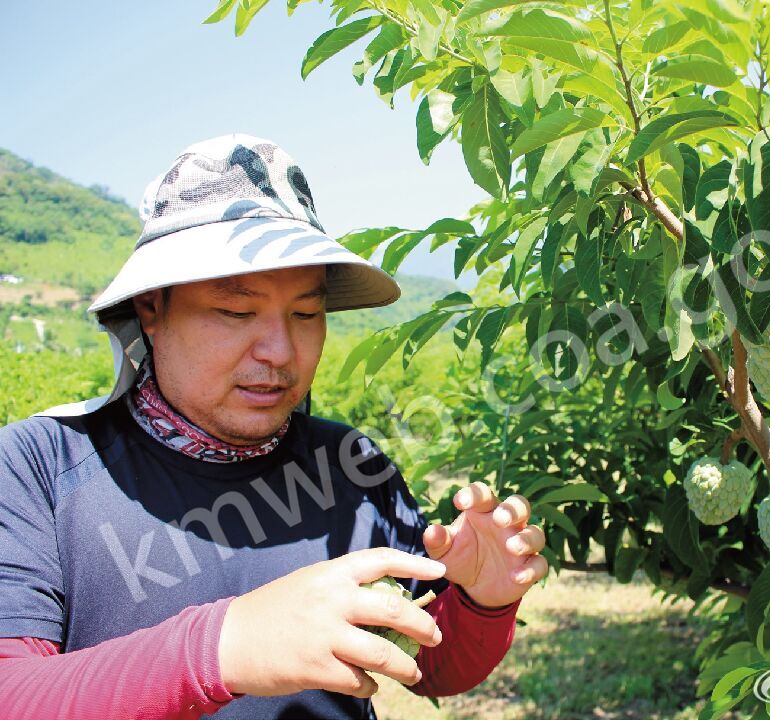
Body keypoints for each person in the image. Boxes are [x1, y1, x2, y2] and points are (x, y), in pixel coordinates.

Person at [0, 134, 548, 719]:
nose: (281, 351)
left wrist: (479, 602)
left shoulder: (350, 464)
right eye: (237, 311)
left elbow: (423, 665)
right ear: (151, 309)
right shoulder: (39, 469)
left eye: (306, 314)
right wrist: (224, 646)